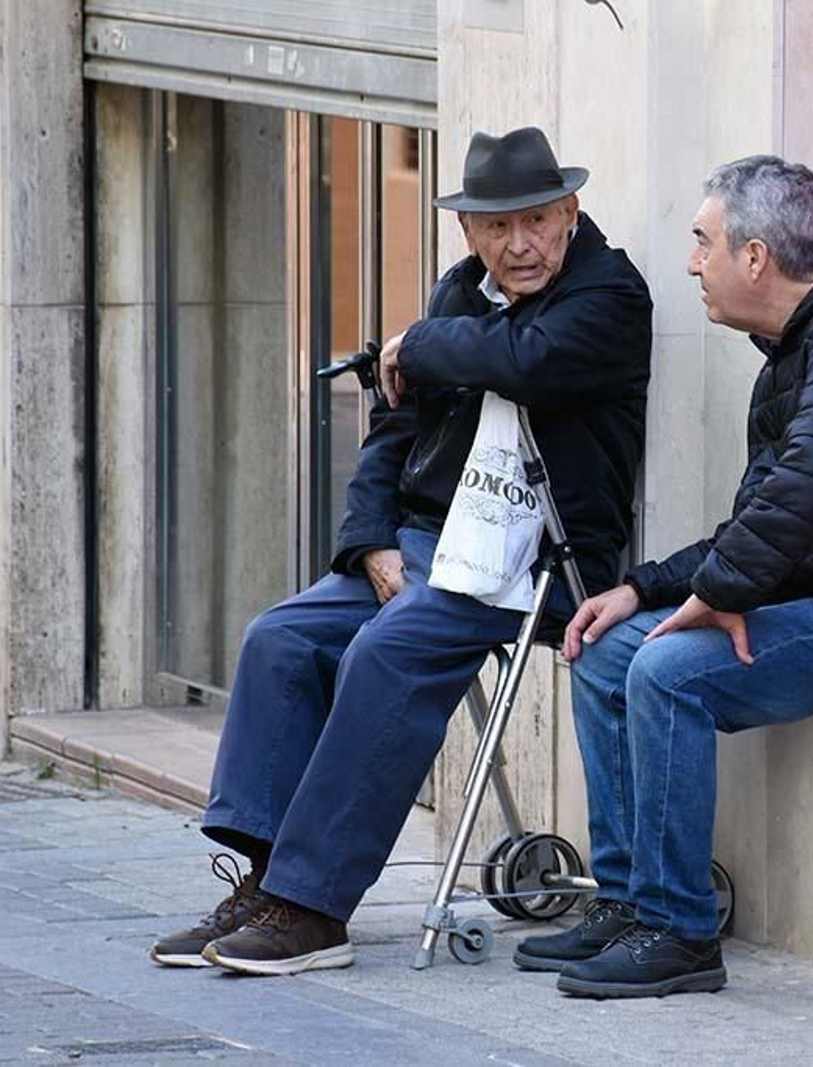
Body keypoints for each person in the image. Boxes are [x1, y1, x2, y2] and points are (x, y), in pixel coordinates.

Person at [150, 127, 653, 975]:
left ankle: (314, 908)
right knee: (280, 637)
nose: (520, 244)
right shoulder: (459, 292)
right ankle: (268, 880)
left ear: (571, 212)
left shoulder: (609, 293)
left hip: (534, 562)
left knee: (386, 652)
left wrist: (413, 343)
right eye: (498, 227)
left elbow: (527, 361)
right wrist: (369, 542)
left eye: (537, 220)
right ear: (467, 230)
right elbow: (391, 433)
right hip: (426, 545)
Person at [509, 155, 813, 999]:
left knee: (669, 670)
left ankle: (680, 930)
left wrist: (720, 591)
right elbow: (759, 518)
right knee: (606, 649)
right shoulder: (797, 349)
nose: (692, 264)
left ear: (754, 257)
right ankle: (626, 900)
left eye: (703, 242)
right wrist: (643, 587)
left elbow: (808, 492)